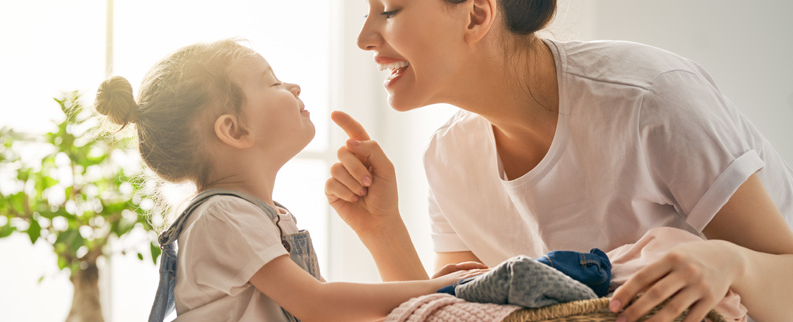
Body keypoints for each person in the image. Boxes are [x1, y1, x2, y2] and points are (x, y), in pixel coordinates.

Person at [324, 0, 793, 321]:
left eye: (387, 10)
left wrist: (733, 264)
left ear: (475, 14)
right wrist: (382, 230)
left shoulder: (649, 99)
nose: (365, 38)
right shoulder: (447, 157)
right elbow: (461, 312)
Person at [93, 38, 484, 322]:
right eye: (273, 83)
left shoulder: (264, 217)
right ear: (234, 130)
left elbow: (333, 308)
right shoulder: (222, 214)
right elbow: (319, 305)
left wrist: (429, 292)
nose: (293, 87)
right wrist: (439, 290)